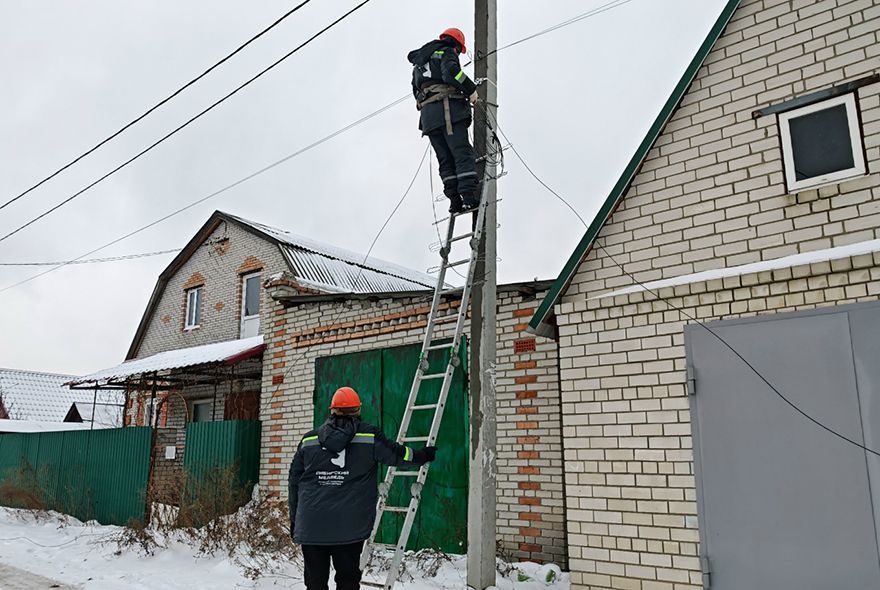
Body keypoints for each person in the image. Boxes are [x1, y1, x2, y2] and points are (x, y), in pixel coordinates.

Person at [288, 386, 438, 590]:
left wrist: (295, 521)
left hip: (312, 525)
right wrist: (422, 455)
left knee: (315, 583)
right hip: (349, 527)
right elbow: (398, 455)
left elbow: (294, 482)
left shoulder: (308, 440)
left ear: (332, 410)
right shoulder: (368, 436)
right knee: (348, 581)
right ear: (357, 410)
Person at [408, 27, 480, 215]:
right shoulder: (447, 51)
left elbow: (416, 91)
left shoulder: (419, 63)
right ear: (456, 44)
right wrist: (470, 89)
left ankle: (455, 202)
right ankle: (469, 198)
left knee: (445, 160)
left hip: (428, 119)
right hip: (449, 113)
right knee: (462, 153)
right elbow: (453, 73)